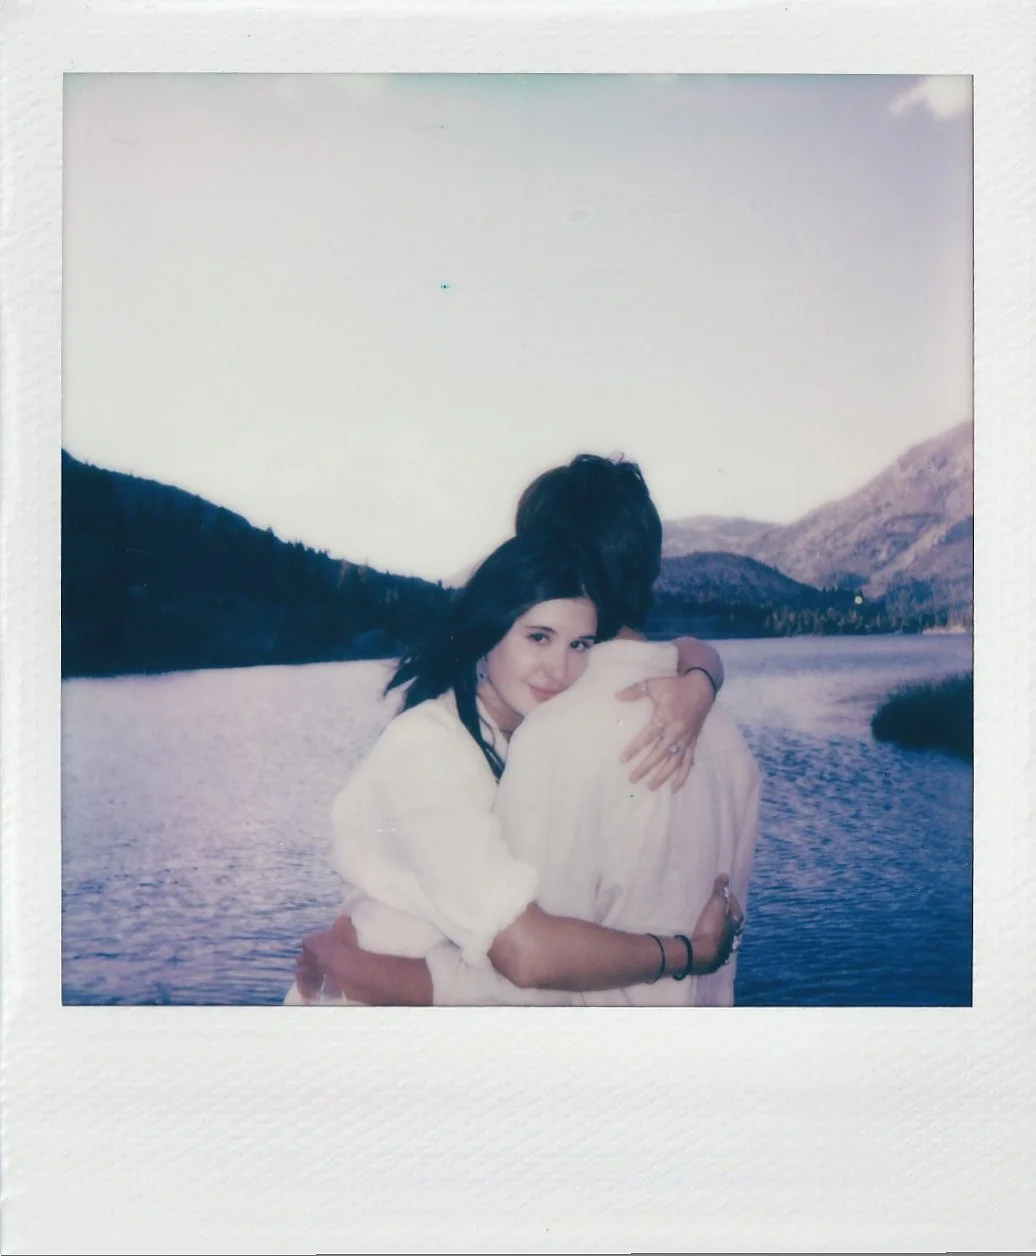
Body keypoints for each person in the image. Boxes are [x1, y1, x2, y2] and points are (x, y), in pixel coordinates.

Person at [285, 528, 743, 1006]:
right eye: (538, 638)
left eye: (580, 645)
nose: (559, 670)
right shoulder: (427, 748)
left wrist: (700, 680)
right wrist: (691, 952)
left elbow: (684, 647)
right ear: (488, 632)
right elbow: (527, 955)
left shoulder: (525, 738)